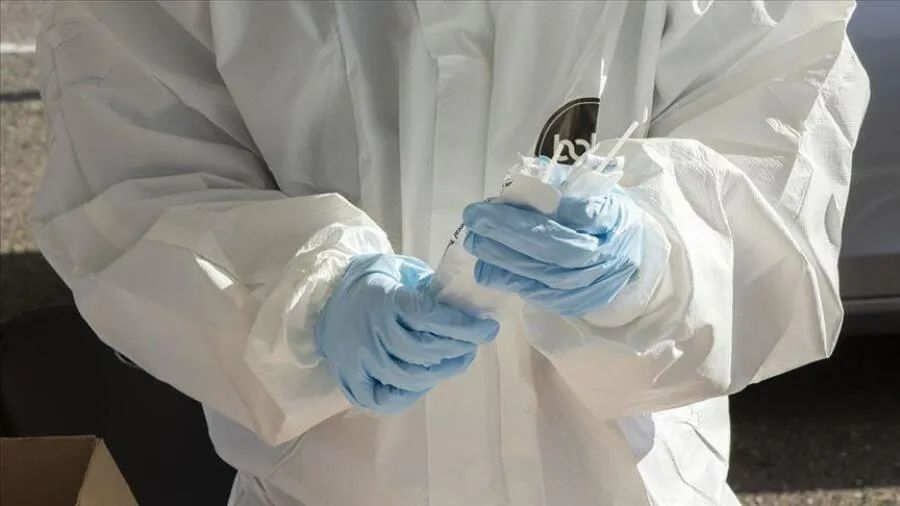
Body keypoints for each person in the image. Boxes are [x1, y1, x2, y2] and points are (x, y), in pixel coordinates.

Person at [32, 1, 868, 504]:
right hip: (330, 484)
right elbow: (132, 178)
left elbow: (775, 131)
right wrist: (302, 300)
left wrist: (656, 259)